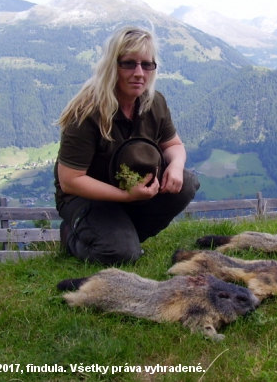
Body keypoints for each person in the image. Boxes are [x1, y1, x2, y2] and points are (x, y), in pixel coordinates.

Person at [53, 26, 199, 265]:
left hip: (131, 192)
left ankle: (122, 235)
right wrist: (125, 195)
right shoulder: (87, 111)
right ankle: (73, 235)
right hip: (87, 197)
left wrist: (175, 164)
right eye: (129, 64)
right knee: (120, 255)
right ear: (112, 66)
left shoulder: (154, 102)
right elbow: (70, 180)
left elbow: (173, 144)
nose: (139, 73)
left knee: (187, 182)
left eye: (147, 64)